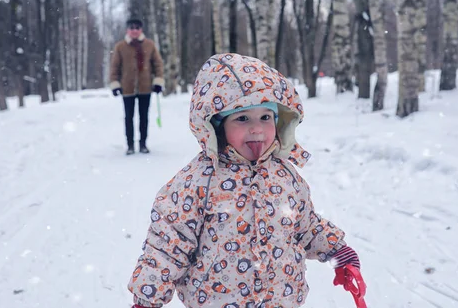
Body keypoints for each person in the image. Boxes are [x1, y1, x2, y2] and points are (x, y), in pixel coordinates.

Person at [128, 53, 361, 308]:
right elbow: (168, 245)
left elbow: (305, 225)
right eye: (242, 118)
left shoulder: (285, 176)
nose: (257, 129)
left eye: (265, 117)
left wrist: (339, 253)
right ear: (216, 126)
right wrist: (146, 300)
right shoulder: (197, 182)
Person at [110, 18, 164, 155]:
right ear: (127, 30)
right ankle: (130, 145)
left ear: (141, 30)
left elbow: (158, 64)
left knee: (144, 117)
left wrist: (158, 82)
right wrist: (115, 83)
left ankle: (143, 144)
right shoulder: (120, 47)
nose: (134, 30)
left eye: (137, 28)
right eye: (131, 28)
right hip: (127, 88)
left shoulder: (149, 45)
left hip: (145, 87)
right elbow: (114, 67)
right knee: (129, 117)